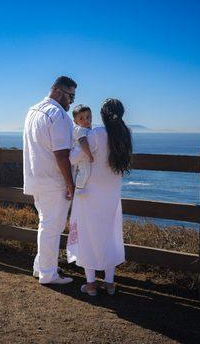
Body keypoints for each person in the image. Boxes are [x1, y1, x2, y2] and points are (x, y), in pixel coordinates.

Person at [66, 98, 133, 296]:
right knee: (109, 236)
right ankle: (110, 283)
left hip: (89, 194)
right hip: (112, 195)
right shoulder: (126, 134)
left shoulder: (96, 134)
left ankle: (91, 284)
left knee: (88, 237)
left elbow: (73, 158)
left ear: (102, 115)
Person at [23, 76, 77, 285]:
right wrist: (70, 183)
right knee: (51, 228)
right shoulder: (58, 115)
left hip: (36, 178)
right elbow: (62, 154)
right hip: (54, 182)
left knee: (45, 224)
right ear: (58, 91)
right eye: (70, 96)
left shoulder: (32, 110)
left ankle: (40, 267)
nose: (71, 101)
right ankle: (48, 273)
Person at [71, 105, 94, 196]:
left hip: (81, 155)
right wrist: (89, 155)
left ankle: (79, 187)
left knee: (83, 172)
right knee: (85, 172)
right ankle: (79, 189)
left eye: (88, 117)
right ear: (75, 121)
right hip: (82, 156)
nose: (86, 120)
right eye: (81, 119)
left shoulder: (86, 129)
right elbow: (83, 142)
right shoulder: (81, 130)